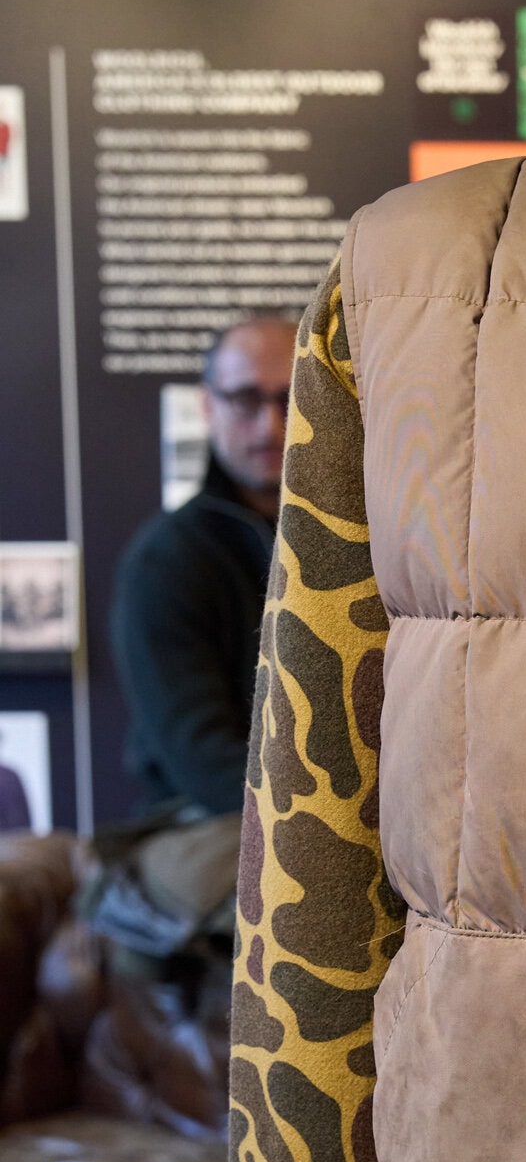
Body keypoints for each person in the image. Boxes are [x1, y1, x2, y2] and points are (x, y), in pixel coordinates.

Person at [110, 314, 292, 815]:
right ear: (208, 406)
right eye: (246, 399)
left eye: (291, 398)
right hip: (207, 818)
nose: (270, 426)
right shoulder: (165, 559)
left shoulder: (367, 543)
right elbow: (202, 762)